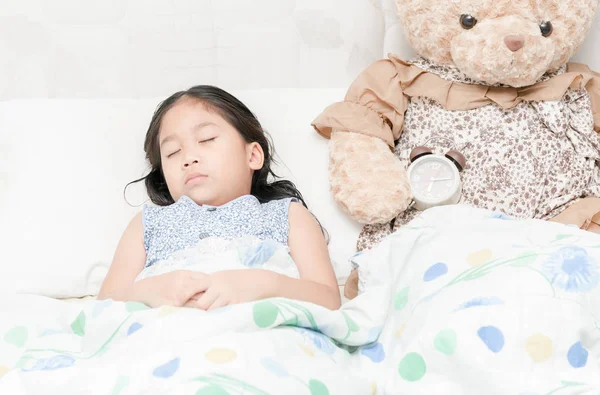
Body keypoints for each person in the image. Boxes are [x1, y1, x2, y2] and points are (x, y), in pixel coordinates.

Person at [98, 85, 340, 310]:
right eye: (172, 152)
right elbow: (103, 305)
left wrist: (265, 285)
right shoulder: (147, 224)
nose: (188, 158)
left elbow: (329, 300)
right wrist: (149, 290)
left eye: (207, 139)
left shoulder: (288, 214)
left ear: (253, 155)